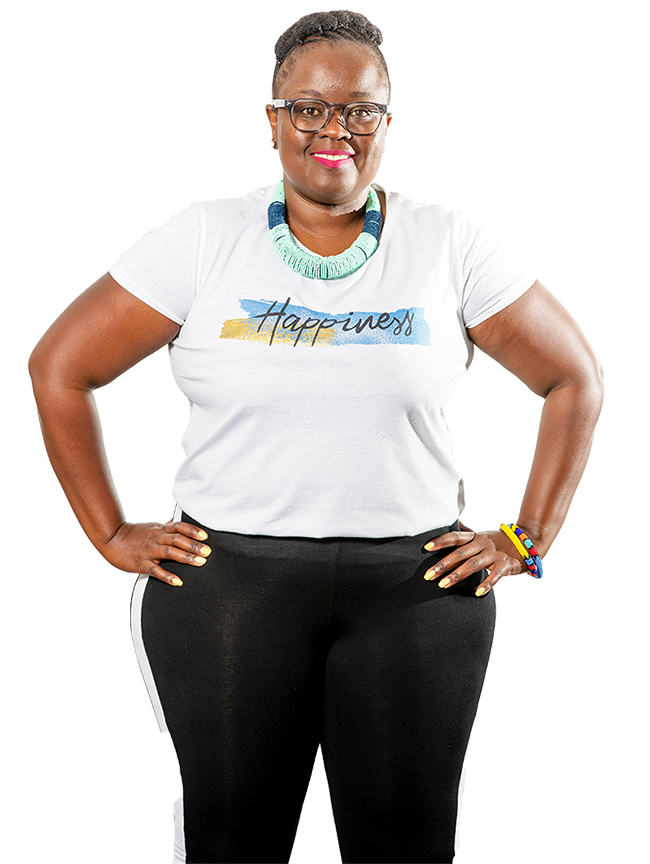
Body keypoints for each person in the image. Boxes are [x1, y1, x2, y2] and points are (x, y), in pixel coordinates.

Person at [28, 9, 604, 864]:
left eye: (360, 110)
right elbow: (59, 367)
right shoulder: (202, 240)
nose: (335, 130)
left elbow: (575, 379)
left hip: (417, 593)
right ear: (273, 119)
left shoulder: (448, 244)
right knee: (233, 847)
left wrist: (527, 538)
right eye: (309, 108)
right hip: (229, 593)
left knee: (407, 850)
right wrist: (109, 532)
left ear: (386, 123)